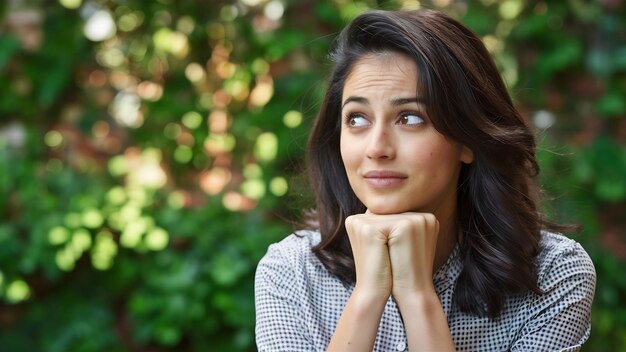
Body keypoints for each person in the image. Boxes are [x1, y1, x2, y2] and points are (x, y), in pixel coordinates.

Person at [255, 8, 596, 352]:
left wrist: (417, 296)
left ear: (467, 139)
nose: (377, 148)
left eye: (410, 117)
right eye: (357, 119)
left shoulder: (552, 273)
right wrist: (368, 296)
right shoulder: (292, 271)